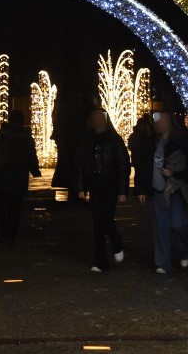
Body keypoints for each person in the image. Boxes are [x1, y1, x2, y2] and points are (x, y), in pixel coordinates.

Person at [134, 111, 188, 274]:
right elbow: (143, 166)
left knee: (178, 223)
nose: (159, 124)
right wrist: (141, 189)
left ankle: (185, 250)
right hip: (158, 190)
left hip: (175, 190)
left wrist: (174, 173)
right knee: (160, 227)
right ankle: (162, 263)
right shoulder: (151, 142)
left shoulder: (180, 141)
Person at [74, 107, 131, 273]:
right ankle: (100, 261)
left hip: (110, 186)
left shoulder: (114, 140)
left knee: (106, 218)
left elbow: (123, 165)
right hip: (94, 186)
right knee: (97, 223)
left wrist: (122, 190)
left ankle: (115, 241)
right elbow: (80, 164)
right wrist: (81, 187)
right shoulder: (86, 140)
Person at [0, 109, 41, 245]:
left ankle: (3, 234)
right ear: (22, 121)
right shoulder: (27, 138)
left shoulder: (0, 136)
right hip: (18, 178)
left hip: (0, 177)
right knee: (14, 208)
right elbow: (31, 157)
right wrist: (35, 170)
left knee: (0, 208)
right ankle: (12, 236)